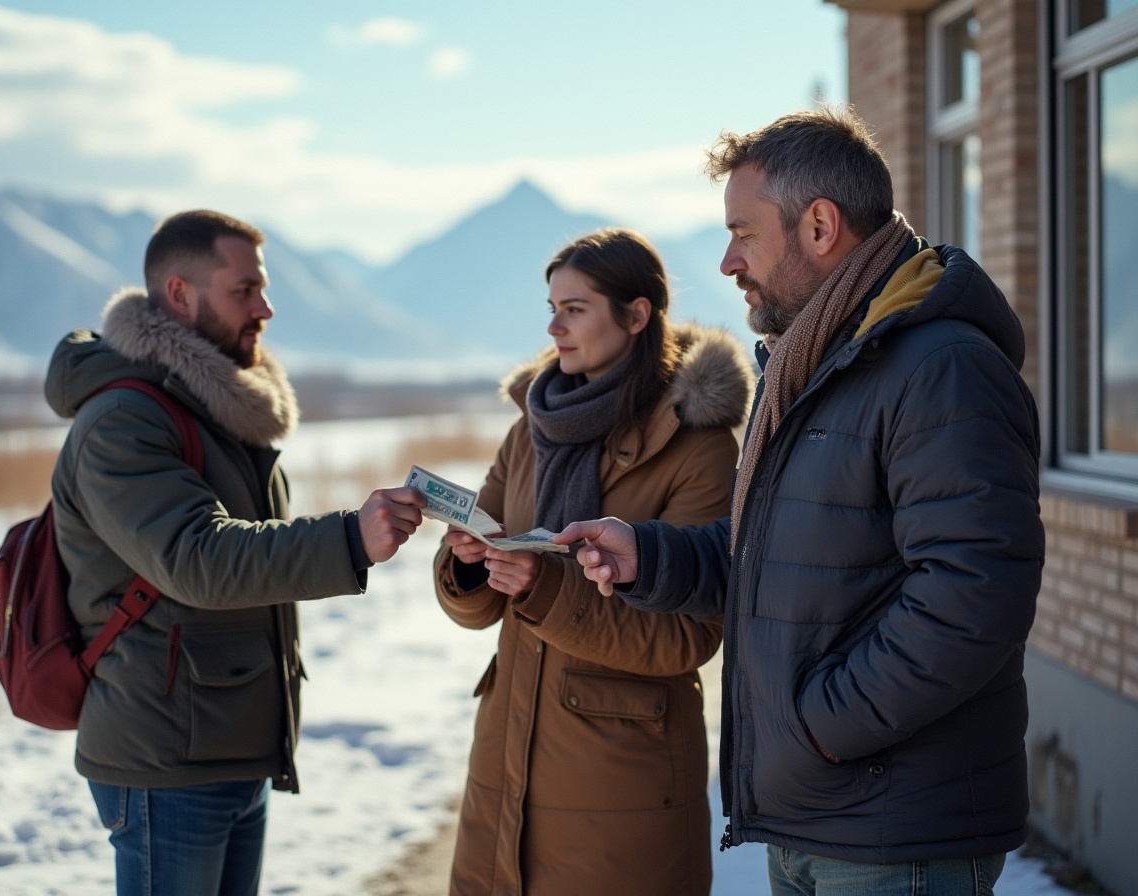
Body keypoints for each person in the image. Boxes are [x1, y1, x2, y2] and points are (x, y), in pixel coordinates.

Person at [557, 108, 1044, 896]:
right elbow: (776, 552)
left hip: (892, 832)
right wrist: (651, 554)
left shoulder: (939, 367)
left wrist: (821, 727)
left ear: (819, 226)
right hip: (818, 816)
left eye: (743, 234)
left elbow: (975, 593)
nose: (727, 261)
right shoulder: (814, 363)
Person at [45, 209, 425, 896]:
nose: (265, 309)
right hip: (166, 759)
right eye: (244, 291)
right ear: (180, 294)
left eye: (263, 289)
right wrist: (348, 539)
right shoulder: (123, 420)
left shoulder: (213, 407)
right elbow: (199, 559)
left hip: (228, 744)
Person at [434, 228, 753, 895]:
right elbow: (477, 603)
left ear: (636, 315)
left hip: (622, 779)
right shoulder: (531, 428)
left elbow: (688, 637)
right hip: (504, 760)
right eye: (552, 308)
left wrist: (545, 588)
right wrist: (469, 562)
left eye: (575, 309)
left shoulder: (697, 447)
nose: (554, 327)